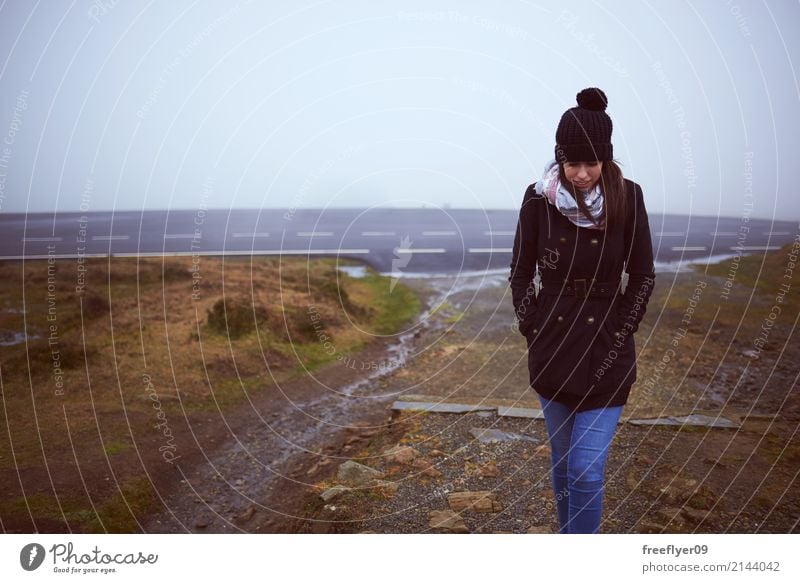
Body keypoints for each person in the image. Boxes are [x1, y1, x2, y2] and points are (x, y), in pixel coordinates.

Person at [508, 87, 655, 534]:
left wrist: (622, 328)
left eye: (592, 163)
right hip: (552, 344)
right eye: (573, 163)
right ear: (560, 160)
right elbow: (520, 269)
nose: (583, 173)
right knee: (563, 461)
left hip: (607, 348)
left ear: (605, 160)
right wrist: (531, 324)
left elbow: (643, 272)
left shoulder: (628, 196)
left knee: (586, 469)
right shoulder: (538, 199)